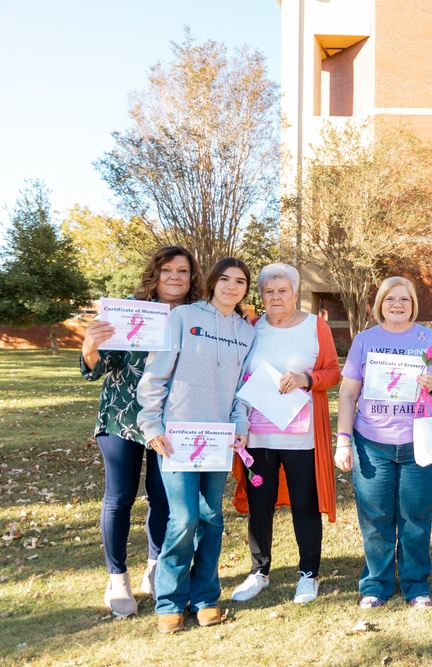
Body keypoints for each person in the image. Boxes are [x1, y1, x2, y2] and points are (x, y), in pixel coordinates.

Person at [80, 246, 203, 618]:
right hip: (122, 418)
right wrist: (90, 347)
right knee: (119, 497)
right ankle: (117, 578)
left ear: (192, 277)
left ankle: (155, 566)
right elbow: (99, 367)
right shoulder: (129, 312)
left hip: (172, 420)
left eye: (183, 270)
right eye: (167, 270)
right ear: (155, 274)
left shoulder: (196, 315)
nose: (175, 277)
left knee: (162, 496)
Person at [137, 257, 255, 634]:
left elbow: (243, 389)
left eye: (240, 281)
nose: (231, 286)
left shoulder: (248, 332)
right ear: (213, 282)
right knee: (184, 517)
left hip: (218, 439)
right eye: (225, 279)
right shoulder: (184, 317)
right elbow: (156, 373)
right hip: (177, 438)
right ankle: (169, 600)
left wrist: (240, 423)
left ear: (245, 289)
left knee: (211, 518)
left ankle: (205, 597)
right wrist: (151, 423)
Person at [334, 276, 432, 609]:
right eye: (390, 300)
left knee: (415, 516)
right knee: (376, 517)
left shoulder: (428, 338)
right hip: (371, 443)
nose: (397, 305)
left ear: (413, 303)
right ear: (380, 305)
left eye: (404, 299)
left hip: (417, 441)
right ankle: (377, 584)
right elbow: (347, 394)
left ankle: (416, 585)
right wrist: (343, 440)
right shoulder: (364, 340)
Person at [230, 263, 342, 605]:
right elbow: (239, 378)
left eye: (283, 291)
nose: (275, 297)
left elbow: (333, 372)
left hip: (302, 437)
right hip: (258, 438)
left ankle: (308, 574)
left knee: (304, 505)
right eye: (268, 291)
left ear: (295, 293)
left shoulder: (315, 326)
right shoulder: (251, 327)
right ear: (260, 295)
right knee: (259, 505)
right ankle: (259, 572)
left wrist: (307, 379)